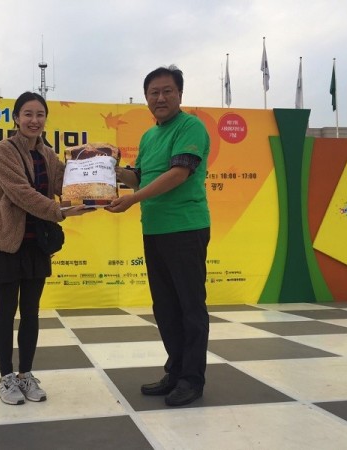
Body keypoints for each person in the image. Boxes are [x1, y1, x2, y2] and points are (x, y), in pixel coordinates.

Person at [107, 65, 211, 407]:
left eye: (167, 91)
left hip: (186, 228)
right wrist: (105, 170)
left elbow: (179, 173)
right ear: (146, 98)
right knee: (165, 306)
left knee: (190, 306)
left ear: (180, 94)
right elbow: (138, 176)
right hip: (154, 229)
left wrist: (133, 199)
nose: (161, 98)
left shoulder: (190, 126)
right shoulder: (149, 136)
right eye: (154, 92)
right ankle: (175, 371)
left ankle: (192, 379)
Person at [0, 92, 92, 405]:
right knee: (6, 311)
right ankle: (6, 377)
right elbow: (20, 192)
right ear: (16, 118)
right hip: (7, 241)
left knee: (31, 311)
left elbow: (65, 184)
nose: (34, 120)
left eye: (40, 114)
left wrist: (97, 184)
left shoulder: (48, 154)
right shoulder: (3, 150)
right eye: (27, 114)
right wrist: (60, 211)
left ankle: (25, 375)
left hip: (37, 244)